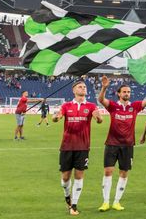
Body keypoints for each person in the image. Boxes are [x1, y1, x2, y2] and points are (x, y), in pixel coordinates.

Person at [97, 75, 146, 212]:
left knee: (124, 172)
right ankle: (105, 202)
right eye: (124, 92)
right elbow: (101, 100)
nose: (127, 94)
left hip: (128, 145)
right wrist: (104, 87)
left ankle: (116, 201)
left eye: (129, 92)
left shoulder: (135, 106)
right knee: (108, 171)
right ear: (119, 94)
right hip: (112, 143)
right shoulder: (113, 106)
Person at [53, 80, 103, 216]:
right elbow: (58, 116)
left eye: (85, 87)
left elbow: (99, 120)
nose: (83, 88)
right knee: (65, 177)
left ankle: (74, 205)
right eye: (80, 87)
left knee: (79, 175)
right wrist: (56, 118)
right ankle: (67, 197)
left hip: (83, 146)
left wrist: (98, 118)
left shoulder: (91, 106)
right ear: (74, 90)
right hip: (67, 146)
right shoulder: (66, 105)